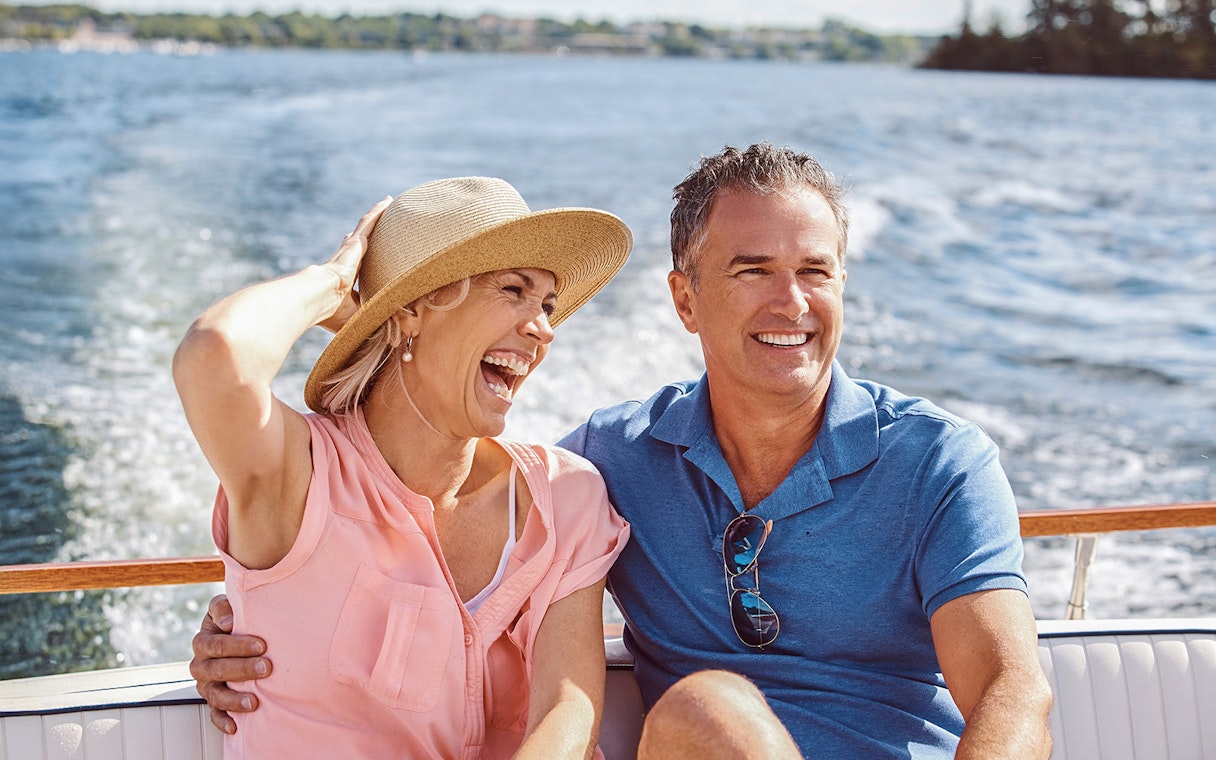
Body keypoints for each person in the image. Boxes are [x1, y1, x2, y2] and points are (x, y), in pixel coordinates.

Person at [189, 145, 1053, 759]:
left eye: (817, 271)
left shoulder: (941, 461)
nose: (792, 302)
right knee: (711, 710)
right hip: (707, 745)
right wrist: (259, 613)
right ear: (684, 299)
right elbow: (393, 484)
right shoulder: (612, 463)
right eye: (753, 269)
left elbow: (1015, 691)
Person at [173, 176, 633, 760]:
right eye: (513, 290)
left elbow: (567, 710)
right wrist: (332, 284)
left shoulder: (566, 494)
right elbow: (214, 352)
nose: (544, 327)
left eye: (546, 304)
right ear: (413, 312)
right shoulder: (300, 475)